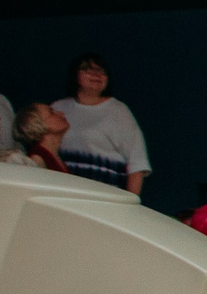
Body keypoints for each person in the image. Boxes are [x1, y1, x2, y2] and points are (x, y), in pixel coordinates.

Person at [53, 54, 152, 193]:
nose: (96, 74)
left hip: (104, 196)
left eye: (102, 71)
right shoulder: (58, 108)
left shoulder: (118, 111)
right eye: (88, 69)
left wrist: (129, 207)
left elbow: (137, 164)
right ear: (75, 75)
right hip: (64, 193)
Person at [14, 102, 72, 174]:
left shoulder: (55, 156)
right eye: (52, 113)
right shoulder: (37, 159)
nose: (61, 113)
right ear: (37, 124)